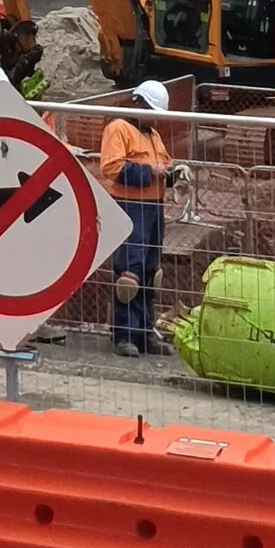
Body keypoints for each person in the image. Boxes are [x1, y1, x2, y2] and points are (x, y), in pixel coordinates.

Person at [99, 79, 173, 356]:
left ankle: (144, 333)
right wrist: (149, 171)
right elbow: (113, 168)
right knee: (129, 274)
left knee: (151, 272)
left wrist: (173, 175)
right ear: (138, 103)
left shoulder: (153, 135)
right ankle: (124, 335)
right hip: (130, 206)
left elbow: (162, 166)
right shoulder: (119, 129)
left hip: (153, 208)